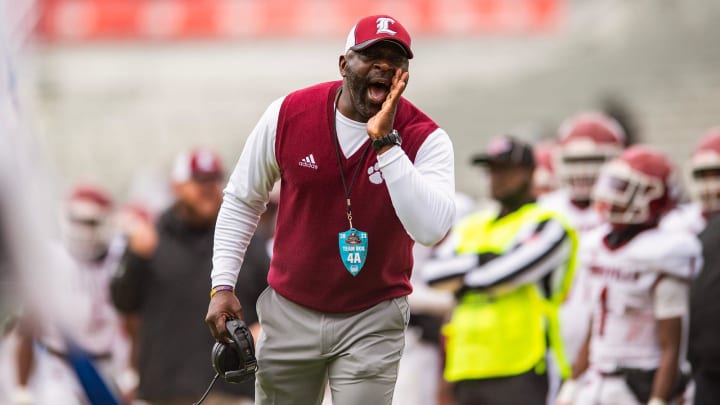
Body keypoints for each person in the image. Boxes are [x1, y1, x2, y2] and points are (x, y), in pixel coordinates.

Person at [204, 14, 455, 405]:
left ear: (405, 76)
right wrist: (222, 285)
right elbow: (242, 199)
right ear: (343, 65)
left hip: (372, 315)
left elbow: (431, 230)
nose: (384, 67)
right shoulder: (288, 114)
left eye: (395, 60)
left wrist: (387, 144)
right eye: (371, 55)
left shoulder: (426, 138)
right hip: (290, 310)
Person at [424, 135, 577, 405]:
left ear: (530, 172)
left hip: (524, 365)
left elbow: (502, 276)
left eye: (506, 169)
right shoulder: (472, 224)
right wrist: (485, 259)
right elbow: (433, 274)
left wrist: (464, 277)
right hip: (466, 365)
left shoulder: (548, 223)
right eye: (492, 170)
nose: (497, 177)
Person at [556, 146, 702, 405]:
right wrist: (572, 382)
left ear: (653, 195)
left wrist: (658, 399)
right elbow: (596, 322)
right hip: (597, 380)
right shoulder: (597, 245)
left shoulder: (663, 254)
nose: (612, 196)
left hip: (638, 384)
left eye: (624, 188)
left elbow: (672, 347)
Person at [111, 148, 253, 405]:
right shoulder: (153, 237)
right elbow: (122, 302)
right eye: (199, 181)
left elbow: (273, 293)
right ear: (177, 185)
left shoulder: (240, 237)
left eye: (214, 180)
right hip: (164, 390)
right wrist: (135, 258)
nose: (208, 189)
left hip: (228, 390)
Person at [10, 184, 132, 404]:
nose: (81, 229)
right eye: (75, 220)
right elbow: (28, 327)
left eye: (89, 222)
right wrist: (22, 389)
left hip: (110, 365)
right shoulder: (49, 258)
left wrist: (131, 374)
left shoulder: (121, 256)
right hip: (62, 366)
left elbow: (135, 319)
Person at [539, 112, 626, 369]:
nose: (584, 170)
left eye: (594, 160)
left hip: (612, 335)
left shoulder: (625, 213)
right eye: (575, 161)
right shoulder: (545, 210)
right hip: (553, 332)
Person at [686, 127, 720, 405]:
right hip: (701, 367)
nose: (712, 185)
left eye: (717, 175)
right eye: (704, 176)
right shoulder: (679, 225)